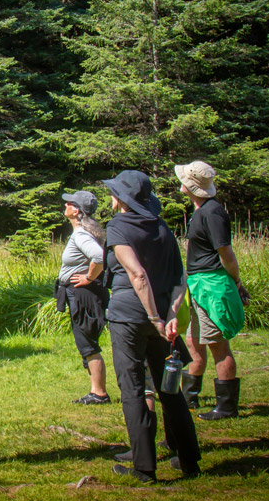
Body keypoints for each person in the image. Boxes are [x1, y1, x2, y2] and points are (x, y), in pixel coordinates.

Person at [102, 170, 200, 482]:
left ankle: (144, 467)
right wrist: (169, 317)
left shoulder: (117, 226)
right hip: (161, 318)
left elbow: (137, 274)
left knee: (132, 388)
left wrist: (156, 318)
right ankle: (189, 460)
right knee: (170, 388)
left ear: (121, 199)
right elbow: (180, 278)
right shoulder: (162, 227)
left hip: (129, 317)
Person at [175, 160, 249, 420]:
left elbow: (226, 253)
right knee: (194, 341)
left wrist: (236, 283)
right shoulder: (200, 210)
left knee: (218, 344)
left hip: (211, 285)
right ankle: (189, 399)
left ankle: (227, 408)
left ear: (191, 185)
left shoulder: (212, 212)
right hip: (198, 284)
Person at [56, 190, 111, 405]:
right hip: (83, 293)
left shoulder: (81, 234)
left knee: (87, 341)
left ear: (76, 210)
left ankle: (99, 393)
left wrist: (89, 277)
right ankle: (96, 390)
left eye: (69, 203)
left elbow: (98, 257)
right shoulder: (87, 231)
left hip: (83, 294)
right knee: (86, 338)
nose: (65, 205)